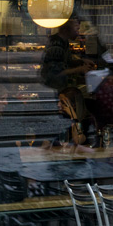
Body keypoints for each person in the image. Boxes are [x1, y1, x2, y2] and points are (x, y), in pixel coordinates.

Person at [39, 15, 101, 145]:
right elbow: (56, 73)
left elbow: (64, 62)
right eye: (76, 28)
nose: (78, 32)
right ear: (67, 28)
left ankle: (66, 144)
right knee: (84, 119)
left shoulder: (62, 42)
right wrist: (80, 69)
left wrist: (80, 61)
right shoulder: (57, 45)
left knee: (82, 120)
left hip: (65, 87)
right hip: (64, 88)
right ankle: (60, 143)